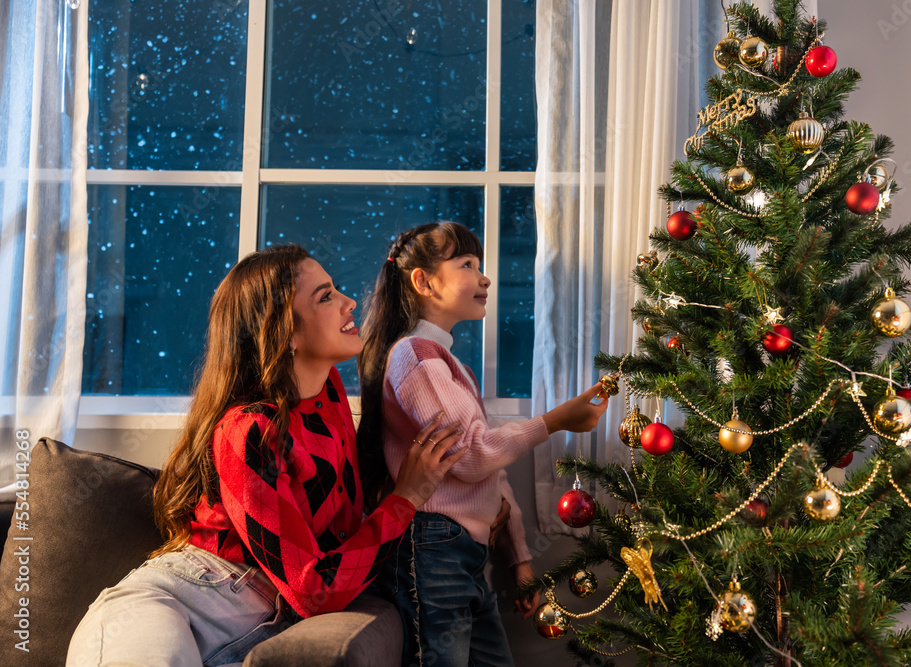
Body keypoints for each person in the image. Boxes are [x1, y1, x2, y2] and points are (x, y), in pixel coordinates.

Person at [67, 245, 467, 667]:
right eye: (326, 296)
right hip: (176, 602)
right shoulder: (249, 431)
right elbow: (314, 589)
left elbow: (337, 535)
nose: (350, 302)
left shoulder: (327, 390)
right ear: (285, 331)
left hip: (252, 624)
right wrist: (404, 499)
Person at [357, 222, 608, 667]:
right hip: (432, 547)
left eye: (480, 266)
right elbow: (472, 457)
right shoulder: (413, 357)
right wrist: (553, 421)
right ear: (424, 281)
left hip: (464, 553)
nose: (485, 277)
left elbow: (491, 470)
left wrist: (519, 559)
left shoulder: (453, 368)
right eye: (467, 265)